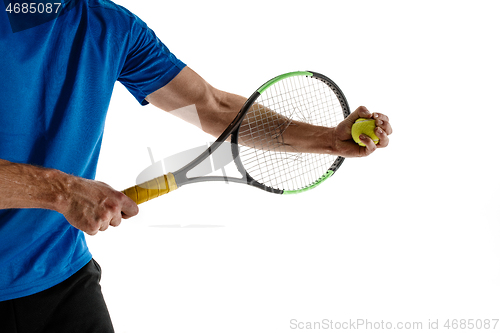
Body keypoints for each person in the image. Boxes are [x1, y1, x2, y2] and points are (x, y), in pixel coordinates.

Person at [0, 0, 392, 332]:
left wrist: (326, 139)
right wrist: (62, 191)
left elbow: (213, 106)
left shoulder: (110, 26)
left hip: (61, 278)